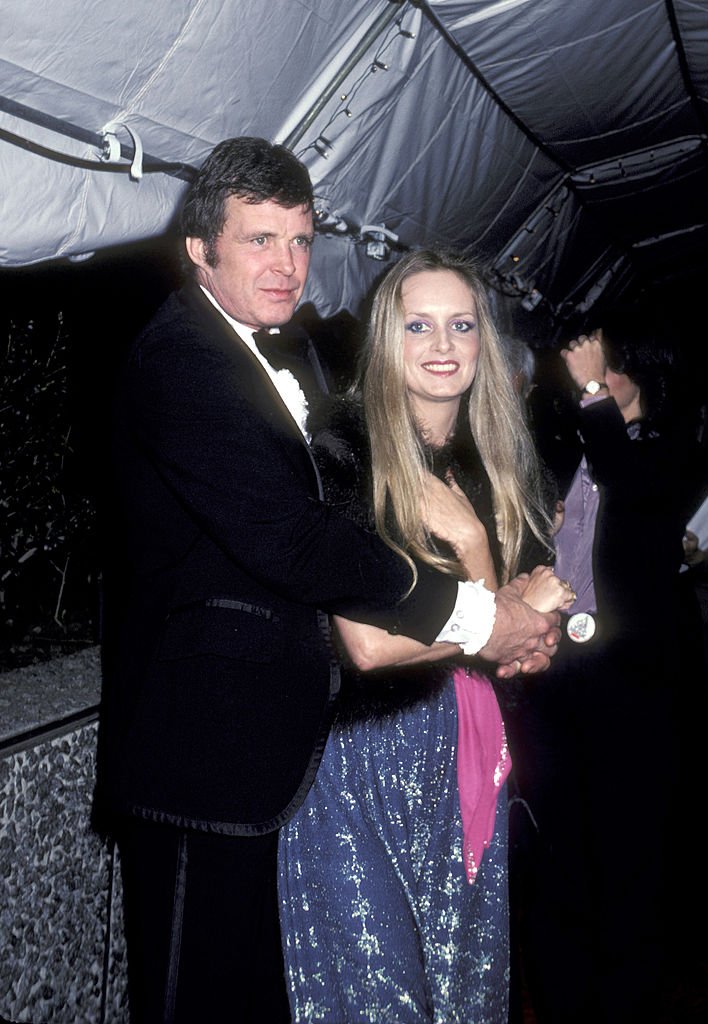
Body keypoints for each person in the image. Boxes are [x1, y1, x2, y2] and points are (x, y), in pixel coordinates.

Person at [95, 138, 561, 1023]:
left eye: (300, 239)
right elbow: (295, 544)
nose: (286, 263)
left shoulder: (285, 353)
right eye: (259, 239)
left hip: (270, 757)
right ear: (200, 249)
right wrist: (473, 612)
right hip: (205, 758)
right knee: (195, 999)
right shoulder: (180, 361)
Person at [278, 250, 574, 1023]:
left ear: (483, 341)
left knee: (464, 990)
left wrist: (478, 558)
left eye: (461, 325)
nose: (442, 345)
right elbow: (370, 645)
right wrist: (501, 612)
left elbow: (532, 643)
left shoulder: (501, 464)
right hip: (351, 767)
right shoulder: (341, 450)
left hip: (463, 753)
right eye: (418, 325)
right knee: (381, 1000)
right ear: (385, 339)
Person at [504, 317, 697, 1023]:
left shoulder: (662, 449)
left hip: (631, 687)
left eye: (602, 371)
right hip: (562, 674)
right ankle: (563, 996)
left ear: (632, 377)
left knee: (627, 849)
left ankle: (627, 1000)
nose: (589, 382)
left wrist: (590, 390)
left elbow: (640, 494)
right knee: (560, 846)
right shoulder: (578, 452)